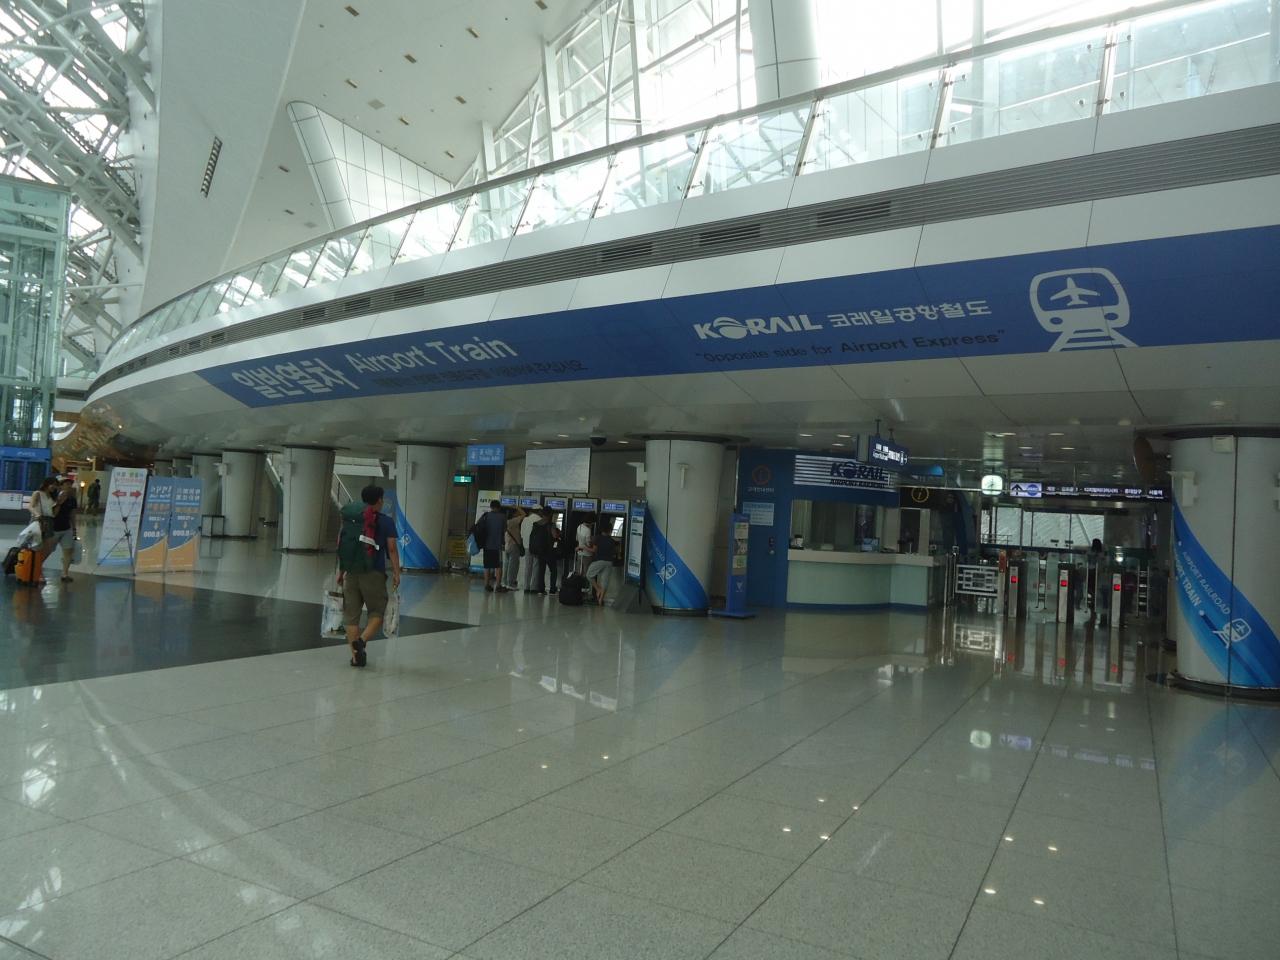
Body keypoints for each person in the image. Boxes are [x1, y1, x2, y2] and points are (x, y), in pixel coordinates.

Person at [336, 484, 401, 667]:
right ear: (379, 500)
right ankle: (362, 641)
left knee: (351, 616)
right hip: (373, 573)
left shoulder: (352, 520)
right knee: (377, 611)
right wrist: (397, 573)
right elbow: (392, 549)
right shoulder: (386, 521)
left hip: (351, 572)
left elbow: (344, 545)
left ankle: (356, 658)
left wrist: (341, 571)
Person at [46, 476, 78, 582]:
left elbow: (72, 515)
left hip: (66, 529)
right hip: (54, 529)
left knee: (68, 551)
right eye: (66, 484)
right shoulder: (53, 497)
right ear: (60, 486)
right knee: (47, 551)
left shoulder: (72, 499)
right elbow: (52, 514)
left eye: (70, 484)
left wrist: (74, 528)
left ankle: (65, 574)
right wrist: (59, 502)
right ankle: (37, 570)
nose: (69, 486)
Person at [475, 499, 509, 592]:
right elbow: (505, 529)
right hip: (497, 545)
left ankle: (487, 585)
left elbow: (478, 526)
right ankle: (498, 586)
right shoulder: (502, 517)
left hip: (486, 545)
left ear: (491, 507)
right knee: (498, 566)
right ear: (499, 507)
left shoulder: (486, 516)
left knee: (487, 566)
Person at [584, 524, 617, 605]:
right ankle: (600, 599)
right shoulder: (612, 541)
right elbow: (615, 552)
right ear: (610, 530)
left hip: (599, 561)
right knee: (605, 581)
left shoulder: (598, 538)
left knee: (589, 575)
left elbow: (594, 550)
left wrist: (583, 547)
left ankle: (598, 589)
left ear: (602, 530)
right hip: (609, 562)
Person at [527, 508, 554, 595]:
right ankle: (552, 589)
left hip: (539, 550)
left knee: (541, 570)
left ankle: (541, 589)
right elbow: (554, 535)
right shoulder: (550, 524)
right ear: (550, 514)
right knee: (553, 570)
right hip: (548, 550)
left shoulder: (536, 524)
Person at [503, 506, 525, 589]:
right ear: (513, 514)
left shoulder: (506, 521)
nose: (518, 514)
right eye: (516, 512)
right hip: (514, 546)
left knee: (507, 565)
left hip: (507, 546)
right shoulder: (514, 521)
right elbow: (524, 514)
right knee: (513, 566)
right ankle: (511, 584)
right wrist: (518, 507)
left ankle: (505, 582)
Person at [519, 506, 538, 590]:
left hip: (526, 546)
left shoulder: (525, 520)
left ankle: (526, 587)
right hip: (536, 547)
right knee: (536, 566)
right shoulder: (540, 520)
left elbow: (522, 534)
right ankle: (533, 587)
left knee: (528, 567)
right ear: (539, 511)